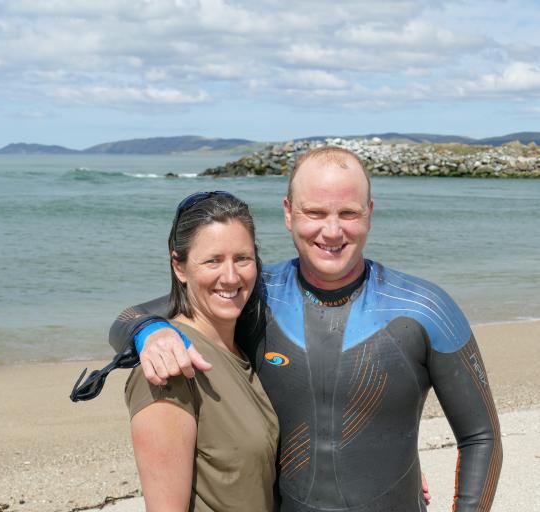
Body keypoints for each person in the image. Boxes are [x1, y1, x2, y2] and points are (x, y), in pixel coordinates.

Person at [109, 147, 501, 511]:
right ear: (288, 213)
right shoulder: (252, 294)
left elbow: (481, 438)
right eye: (314, 213)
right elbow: (131, 317)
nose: (331, 232)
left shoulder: (425, 308)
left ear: (369, 212)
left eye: (348, 213)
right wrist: (151, 333)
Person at [124, 191, 279, 511]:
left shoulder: (243, 349)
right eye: (212, 260)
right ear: (179, 267)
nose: (231, 277)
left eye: (242, 258)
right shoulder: (168, 366)